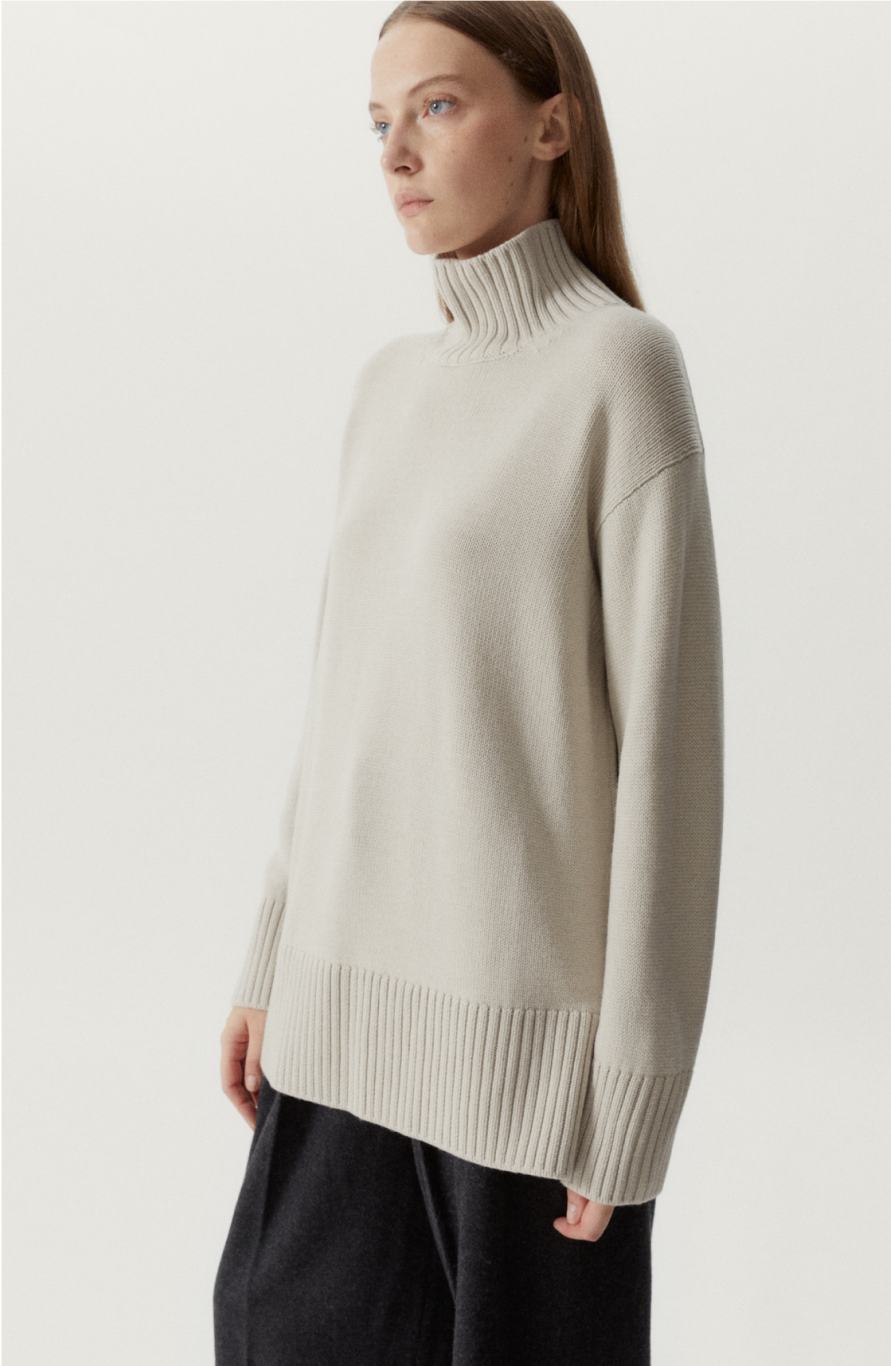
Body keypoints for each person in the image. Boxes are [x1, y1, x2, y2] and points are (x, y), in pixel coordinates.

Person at [213, 0, 724, 1361]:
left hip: (521, 1079)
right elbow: (344, 703)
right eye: (380, 122)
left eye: (437, 106)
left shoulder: (619, 371)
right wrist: (270, 955)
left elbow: (669, 773)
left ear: (552, 124)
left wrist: (634, 1095)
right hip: (332, 1031)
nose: (396, 153)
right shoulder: (387, 387)